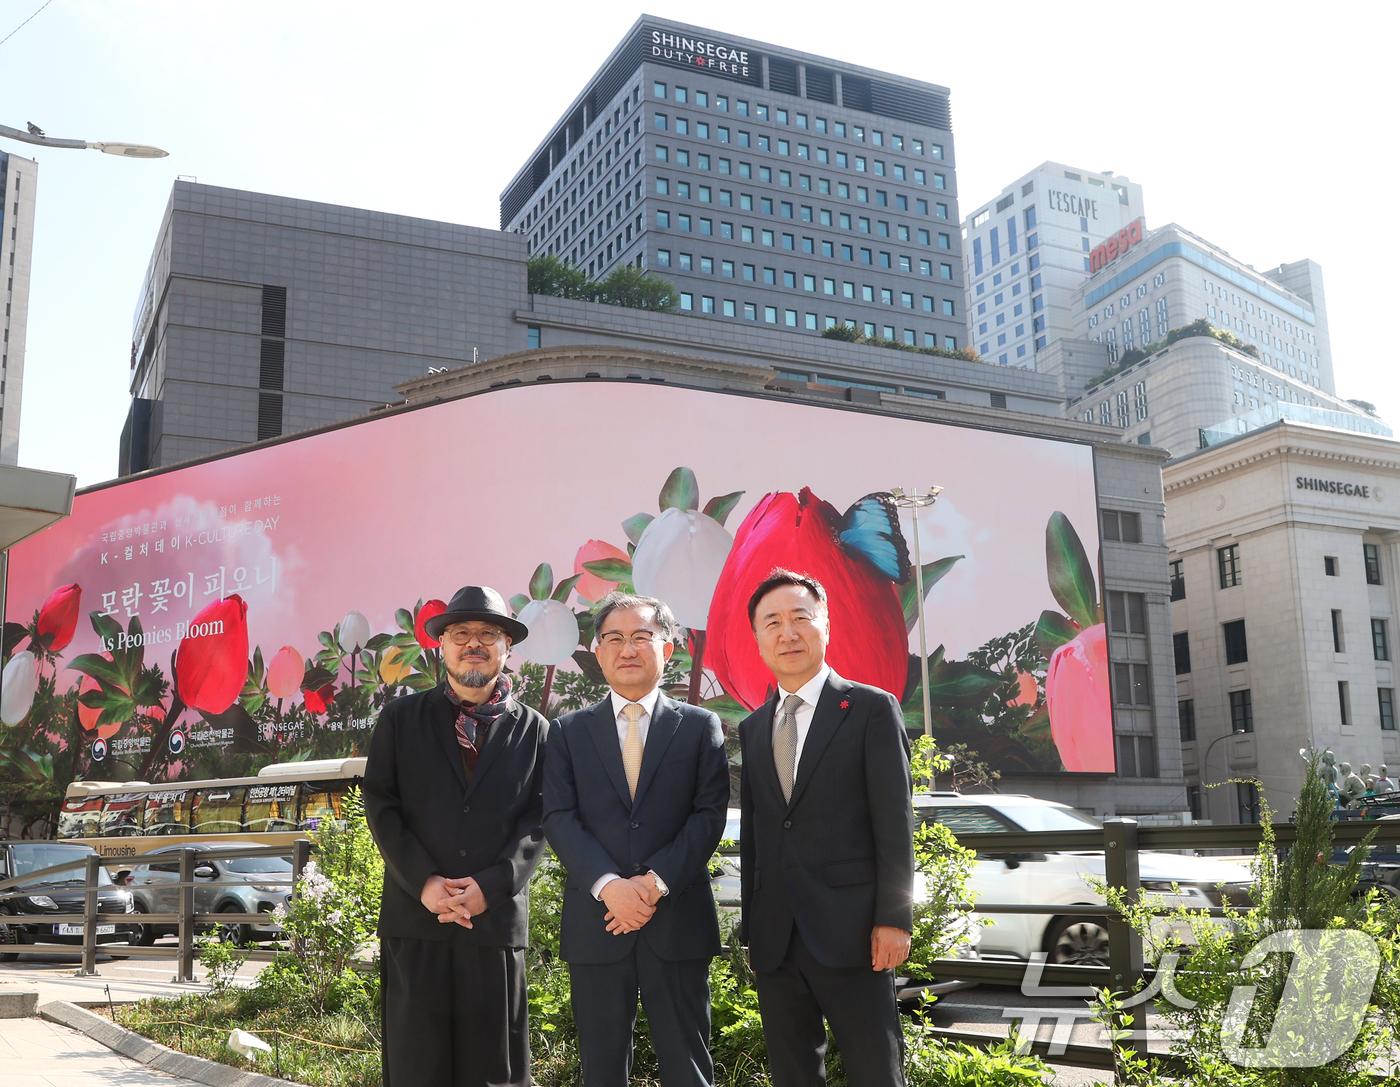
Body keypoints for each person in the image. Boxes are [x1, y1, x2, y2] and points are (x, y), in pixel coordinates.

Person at [363, 585, 549, 1087]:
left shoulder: (534, 730)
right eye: (461, 633)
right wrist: (423, 882)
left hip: (493, 927)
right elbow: (381, 805)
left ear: (507, 648)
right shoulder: (402, 719)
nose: (475, 643)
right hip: (415, 920)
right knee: (414, 1069)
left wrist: (490, 887)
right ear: (441, 645)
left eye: (489, 633)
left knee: (495, 1072)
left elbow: (539, 820)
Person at [543, 591, 729, 1087]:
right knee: (601, 1069)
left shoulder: (699, 726)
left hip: (677, 918)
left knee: (687, 1063)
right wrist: (610, 886)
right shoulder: (566, 732)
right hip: (597, 921)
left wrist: (652, 884)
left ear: (668, 649)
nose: (628, 649)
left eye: (642, 637)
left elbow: (707, 816)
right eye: (614, 638)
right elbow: (559, 818)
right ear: (598, 652)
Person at [738, 568, 914, 1087]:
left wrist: (894, 918)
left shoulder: (869, 709)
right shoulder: (752, 728)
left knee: (874, 1069)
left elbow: (894, 820)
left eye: (800, 618)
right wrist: (753, 930)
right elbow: (757, 836)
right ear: (758, 638)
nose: (787, 633)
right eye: (772, 622)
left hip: (855, 932)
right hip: (776, 939)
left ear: (826, 626)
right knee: (792, 1074)